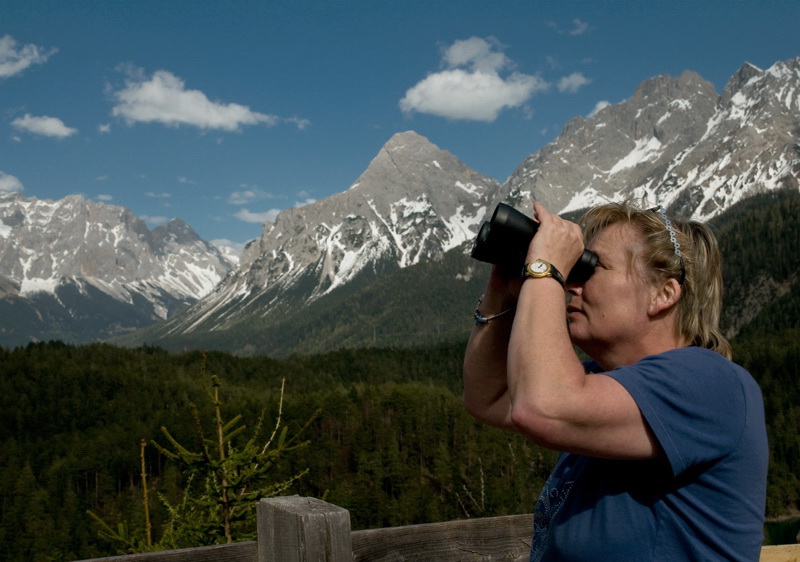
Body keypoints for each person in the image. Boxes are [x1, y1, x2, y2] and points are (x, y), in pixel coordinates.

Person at [463, 200, 768, 561]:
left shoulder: (710, 382)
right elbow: (488, 396)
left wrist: (544, 269)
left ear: (663, 294)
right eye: (574, 269)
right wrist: (504, 284)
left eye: (592, 268)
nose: (572, 284)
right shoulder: (599, 381)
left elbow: (542, 408)